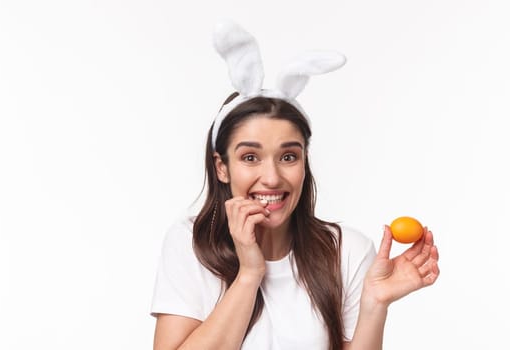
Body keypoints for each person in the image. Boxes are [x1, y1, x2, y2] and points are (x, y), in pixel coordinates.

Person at [149, 20, 440, 350]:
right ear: (222, 167)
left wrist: (374, 304)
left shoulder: (347, 251)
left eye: (288, 157)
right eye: (250, 158)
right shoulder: (190, 245)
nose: (272, 178)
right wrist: (249, 272)